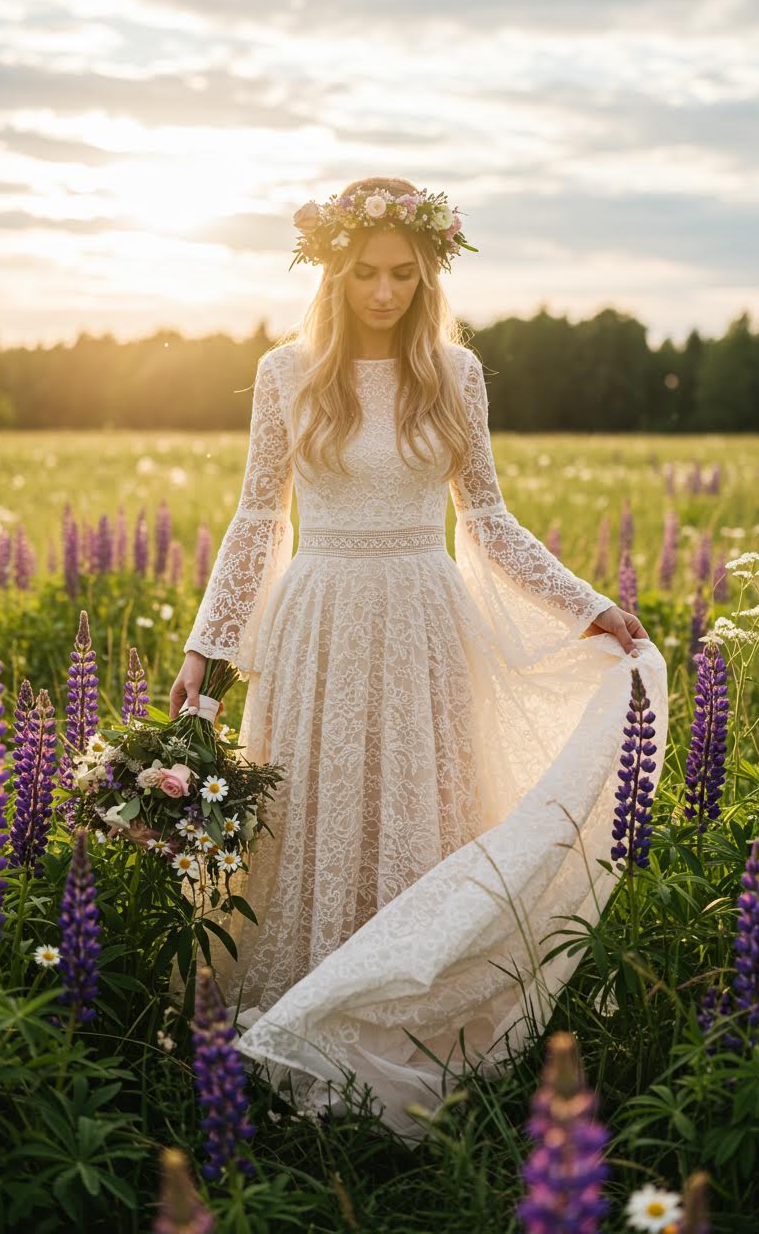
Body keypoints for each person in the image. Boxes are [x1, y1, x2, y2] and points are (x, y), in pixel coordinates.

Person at [168, 175, 668, 1140]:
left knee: (418, 804)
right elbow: (254, 515)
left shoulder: (456, 374)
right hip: (316, 620)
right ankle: (301, 1030)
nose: (386, 291)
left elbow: (487, 519)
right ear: (334, 271)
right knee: (315, 809)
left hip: (423, 620)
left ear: (428, 273)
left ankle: (403, 1026)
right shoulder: (284, 371)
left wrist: (593, 606)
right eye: (366, 272)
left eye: (404, 273)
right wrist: (208, 644)